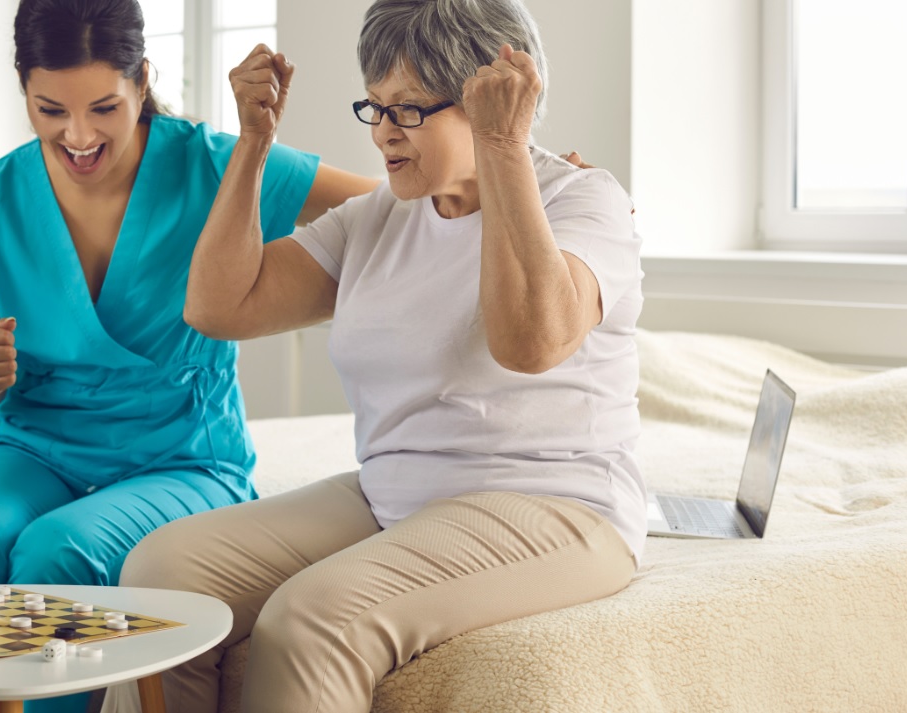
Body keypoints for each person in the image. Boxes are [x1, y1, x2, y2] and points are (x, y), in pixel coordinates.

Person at [113, 0, 647, 711]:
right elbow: (219, 306)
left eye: (410, 111)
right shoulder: (382, 215)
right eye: (377, 107)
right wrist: (253, 143)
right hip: (395, 494)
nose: (384, 135)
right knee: (160, 572)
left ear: (491, 99)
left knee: (310, 617)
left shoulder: (584, 201)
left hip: (557, 506)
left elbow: (531, 341)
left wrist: (504, 150)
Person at [0, 1, 377, 710]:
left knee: (54, 552)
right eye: (49, 109)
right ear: (24, 90)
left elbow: (389, 207)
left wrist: (522, 188)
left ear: (141, 79)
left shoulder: (212, 165)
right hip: (35, 447)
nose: (76, 135)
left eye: (103, 106)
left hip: (182, 458)